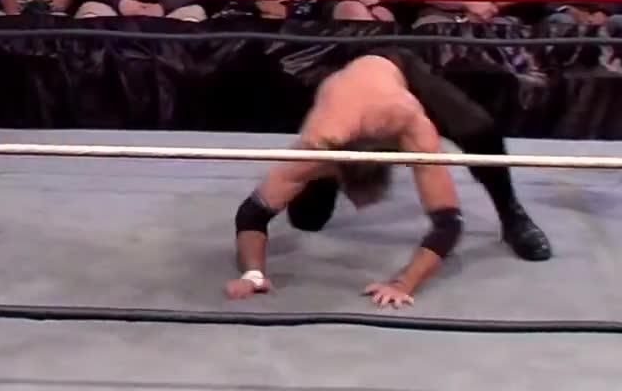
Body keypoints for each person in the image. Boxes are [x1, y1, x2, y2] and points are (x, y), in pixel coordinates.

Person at [227, 49, 549, 310]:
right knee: (307, 220)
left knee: (479, 129)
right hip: (341, 89)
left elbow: (448, 222)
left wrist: (403, 284)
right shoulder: (318, 143)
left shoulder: (411, 125)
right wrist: (253, 274)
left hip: (394, 66)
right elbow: (252, 213)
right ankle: (323, 189)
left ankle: (512, 214)